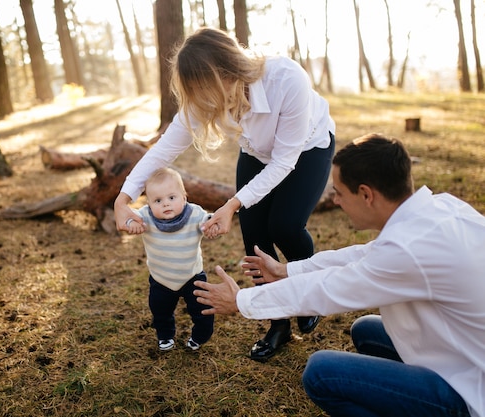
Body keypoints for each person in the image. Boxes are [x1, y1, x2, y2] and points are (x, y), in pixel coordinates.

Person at [193, 133, 485, 417]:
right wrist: (287, 270)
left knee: (322, 373)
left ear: (366, 194)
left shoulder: (407, 250)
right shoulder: (440, 208)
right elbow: (363, 255)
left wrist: (241, 301)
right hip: (465, 350)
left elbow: (327, 290)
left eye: (339, 193)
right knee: (366, 330)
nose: (335, 201)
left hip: (472, 391)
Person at [114, 27, 336, 362]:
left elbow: (284, 161)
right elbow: (162, 151)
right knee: (256, 239)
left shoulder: (287, 79)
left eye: (207, 91)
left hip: (306, 149)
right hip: (257, 153)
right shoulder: (203, 98)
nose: (203, 103)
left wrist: (233, 204)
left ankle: (306, 293)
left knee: (285, 226)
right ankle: (277, 325)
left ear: (229, 73)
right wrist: (123, 197)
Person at [124, 167, 213, 352]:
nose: (165, 204)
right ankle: (165, 336)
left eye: (171, 198)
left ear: (184, 197)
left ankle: (199, 336)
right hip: (161, 279)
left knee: (202, 310)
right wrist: (131, 224)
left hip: (192, 276)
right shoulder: (145, 216)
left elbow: (207, 220)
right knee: (160, 311)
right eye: (158, 200)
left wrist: (212, 224)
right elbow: (130, 217)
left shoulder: (195, 214)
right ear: (148, 203)